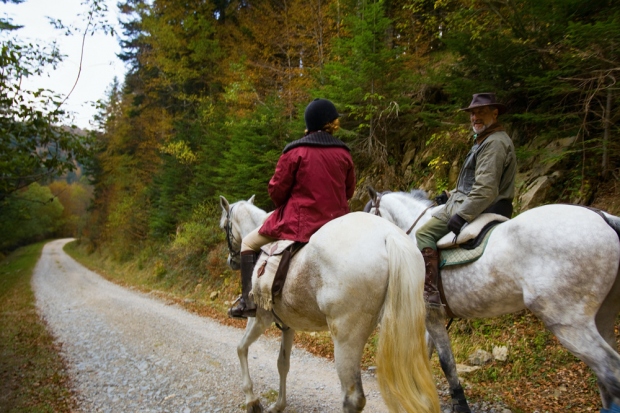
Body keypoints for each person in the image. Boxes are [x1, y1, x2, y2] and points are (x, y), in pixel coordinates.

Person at [228, 98, 357, 319]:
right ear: (331, 123)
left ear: (309, 122)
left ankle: (248, 302)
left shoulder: (295, 152)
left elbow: (277, 194)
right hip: (336, 225)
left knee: (248, 243)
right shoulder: (344, 153)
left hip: (300, 225)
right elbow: (349, 191)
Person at [416, 92, 517, 307]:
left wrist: (463, 215)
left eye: (481, 112)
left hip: (483, 205)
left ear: (495, 113)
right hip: (471, 201)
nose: (475, 117)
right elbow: (473, 183)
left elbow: (486, 189)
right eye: (472, 113)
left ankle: (430, 294)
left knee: (424, 233)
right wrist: (450, 194)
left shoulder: (494, 144)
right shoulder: (485, 140)